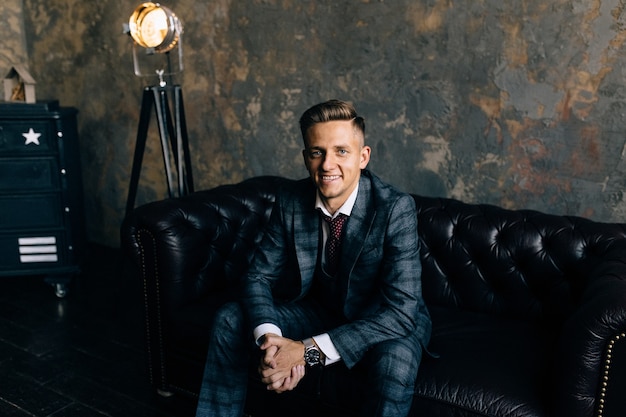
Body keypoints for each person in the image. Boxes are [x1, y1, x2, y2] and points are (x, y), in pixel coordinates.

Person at [196, 99, 432, 417]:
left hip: (382, 320)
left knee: (396, 364)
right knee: (230, 317)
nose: (327, 165)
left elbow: (401, 313)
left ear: (363, 157)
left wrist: (306, 352)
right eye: (316, 152)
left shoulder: (394, 208)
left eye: (341, 151)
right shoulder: (292, 200)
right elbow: (258, 276)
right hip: (321, 310)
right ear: (306, 157)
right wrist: (273, 343)